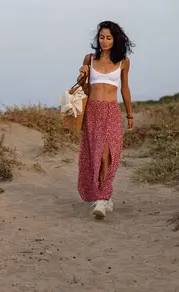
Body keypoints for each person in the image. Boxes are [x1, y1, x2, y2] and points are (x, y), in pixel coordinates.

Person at [76, 21, 135, 219]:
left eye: (109, 37)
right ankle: (102, 198)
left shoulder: (123, 61)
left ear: (115, 39)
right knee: (98, 155)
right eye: (101, 37)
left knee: (109, 155)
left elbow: (125, 89)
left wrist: (130, 114)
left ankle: (103, 194)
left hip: (111, 110)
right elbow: (82, 87)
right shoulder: (90, 58)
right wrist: (82, 74)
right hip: (93, 110)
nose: (104, 41)